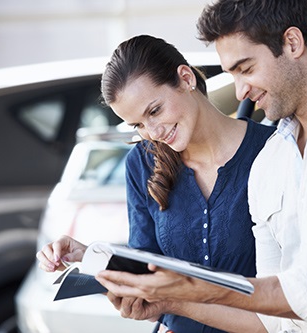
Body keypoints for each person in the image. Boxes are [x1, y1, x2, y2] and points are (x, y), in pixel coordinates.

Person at [94, 0, 307, 332]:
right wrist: (173, 303)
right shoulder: (272, 158)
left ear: (292, 42)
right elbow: (271, 321)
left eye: (246, 69)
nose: (240, 92)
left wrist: (195, 289)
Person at [36, 34, 276, 333]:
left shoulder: (273, 152)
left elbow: (294, 298)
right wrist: (91, 258)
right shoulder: (142, 164)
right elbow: (147, 279)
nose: (152, 132)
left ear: (185, 78)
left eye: (154, 111)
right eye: (137, 124)